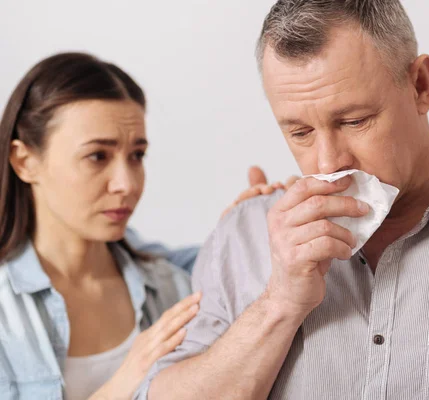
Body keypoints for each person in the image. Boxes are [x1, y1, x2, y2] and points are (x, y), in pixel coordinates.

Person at [143, 1, 429, 399]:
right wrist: (279, 303)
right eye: (299, 132)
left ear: (421, 85)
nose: (327, 162)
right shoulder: (240, 236)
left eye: (355, 121)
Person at [0, 52, 287, 399]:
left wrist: (245, 234)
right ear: (25, 161)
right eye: (97, 156)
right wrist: (125, 380)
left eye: (136, 155)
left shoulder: (173, 286)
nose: (127, 184)